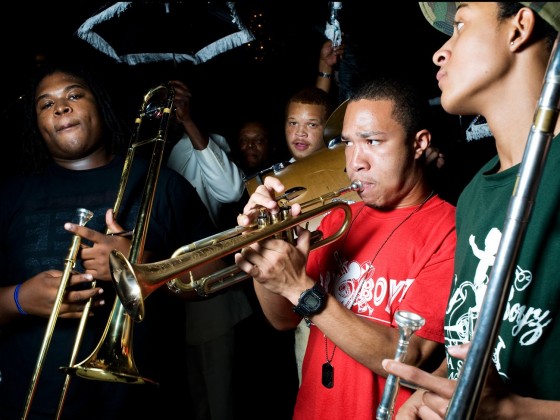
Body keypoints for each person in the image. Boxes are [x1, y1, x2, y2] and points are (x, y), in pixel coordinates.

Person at [0, 61, 222, 419]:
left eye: (74, 94)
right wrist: (17, 300)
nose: (61, 107)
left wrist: (143, 265)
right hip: (29, 404)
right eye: (46, 104)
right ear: (37, 125)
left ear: (99, 106)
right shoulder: (10, 195)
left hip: (140, 406)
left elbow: (219, 271)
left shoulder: (164, 185)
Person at [234, 76, 457, 419]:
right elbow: (282, 320)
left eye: (372, 141)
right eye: (348, 143)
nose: (355, 161)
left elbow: (407, 357)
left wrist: (300, 288)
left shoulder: (450, 228)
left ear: (418, 143)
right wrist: (263, 252)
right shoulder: (340, 217)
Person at [381, 3, 560, 419]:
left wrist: (514, 411)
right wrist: (424, 398)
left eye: (460, 25)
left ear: (519, 28)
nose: (439, 53)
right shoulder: (475, 194)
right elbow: (475, 344)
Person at [164, 79, 253, 420]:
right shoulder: (156, 151)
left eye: (179, 102)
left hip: (207, 286)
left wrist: (188, 122)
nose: (171, 109)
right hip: (170, 291)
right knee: (192, 392)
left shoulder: (211, 142)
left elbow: (231, 190)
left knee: (218, 392)